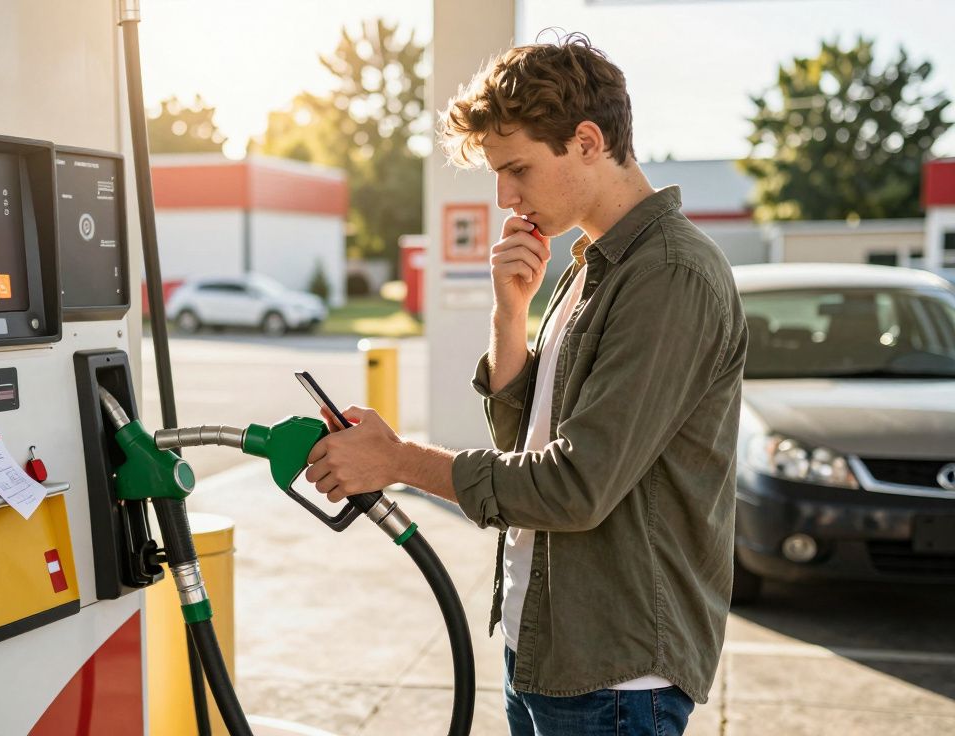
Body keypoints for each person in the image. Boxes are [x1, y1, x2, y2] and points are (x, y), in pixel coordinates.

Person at [305, 34, 748, 736]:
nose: (505, 196)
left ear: (586, 141)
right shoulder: (585, 267)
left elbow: (573, 487)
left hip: (617, 676)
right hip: (545, 646)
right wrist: (510, 313)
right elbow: (523, 445)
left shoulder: (669, 275)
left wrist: (398, 461)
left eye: (517, 169)